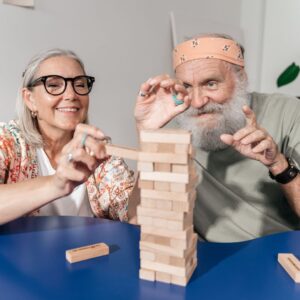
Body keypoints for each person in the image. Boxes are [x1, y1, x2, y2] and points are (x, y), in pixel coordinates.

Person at [134, 33, 300, 242]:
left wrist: (279, 164)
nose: (197, 101)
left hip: (279, 255)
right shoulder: (177, 133)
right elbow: (140, 222)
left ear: (241, 78)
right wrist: (146, 134)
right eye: (186, 86)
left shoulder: (288, 112)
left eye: (210, 83)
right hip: (208, 261)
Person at [0, 48, 134, 225]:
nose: (71, 95)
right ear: (30, 99)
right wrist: (55, 184)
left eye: (80, 84)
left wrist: (150, 132)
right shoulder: (7, 142)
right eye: (54, 85)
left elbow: (137, 216)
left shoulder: (99, 153)